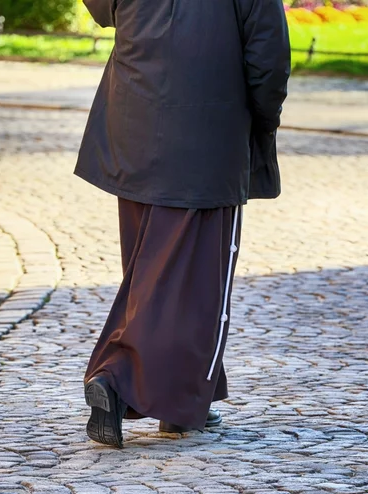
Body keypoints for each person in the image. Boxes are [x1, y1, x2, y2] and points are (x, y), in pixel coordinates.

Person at [75, 0, 291, 448]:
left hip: (133, 123)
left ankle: (183, 399)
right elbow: (268, 56)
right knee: (192, 278)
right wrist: (261, 120)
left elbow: (101, 8)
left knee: (155, 271)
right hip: (207, 132)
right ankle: (116, 378)